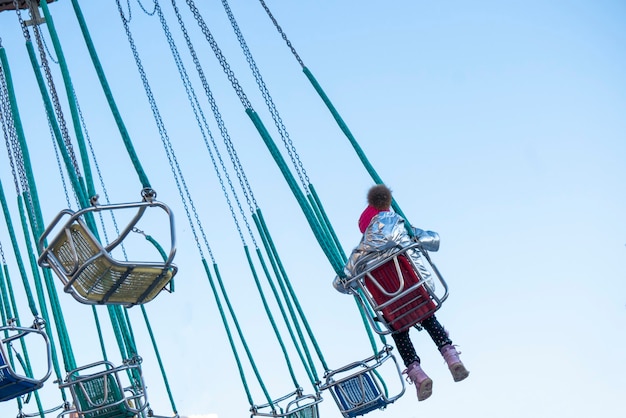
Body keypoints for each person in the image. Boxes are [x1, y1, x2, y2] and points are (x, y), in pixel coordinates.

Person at [333, 184, 469, 401]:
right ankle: (452, 358)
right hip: (418, 296)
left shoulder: (359, 255)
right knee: (429, 319)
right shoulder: (403, 230)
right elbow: (435, 241)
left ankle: (418, 374)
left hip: (393, 311)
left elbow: (342, 284)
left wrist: (342, 279)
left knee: (398, 331)